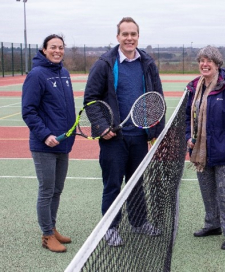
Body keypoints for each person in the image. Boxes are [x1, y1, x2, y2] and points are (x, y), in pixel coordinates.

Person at [84, 17, 165, 246]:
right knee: (113, 185)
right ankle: (110, 227)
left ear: (138, 36)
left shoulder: (147, 63)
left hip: (139, 137)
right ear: (118, 37)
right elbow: (91, 99)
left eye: (133, 34)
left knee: (137, 183)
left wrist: (155, 130)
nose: (129, 38)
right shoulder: (105, 63)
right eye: (125, 34)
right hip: (114, 139)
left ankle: (138, 223)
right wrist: (101, 127)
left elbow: (156, 99)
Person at [185, 46, 225, 250]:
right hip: (201, 151)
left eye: (209, 60)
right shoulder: (194, 87)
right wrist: (188, 137)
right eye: (201, 60)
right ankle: (213, 225)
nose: (204, 64)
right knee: (207, 191)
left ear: (217, 64)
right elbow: (187, 117)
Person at [22, 34, 76, 253]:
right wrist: (45, 135)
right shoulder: (36, 75)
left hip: (63, 144)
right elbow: (29, 111)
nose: (57, 51)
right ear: (44, 50)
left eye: (61, 47)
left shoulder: (64, 73)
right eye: (53, 47)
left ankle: (52, 228)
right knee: (46, 190)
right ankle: (46, 235)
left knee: (57, 189)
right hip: (44, 145)